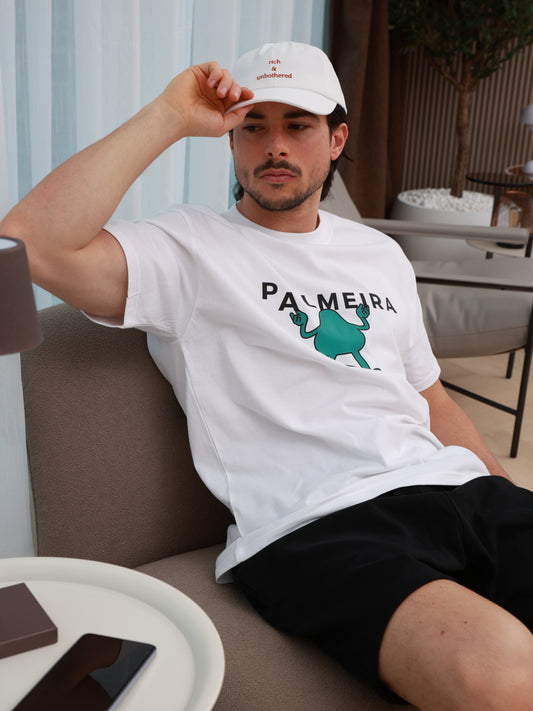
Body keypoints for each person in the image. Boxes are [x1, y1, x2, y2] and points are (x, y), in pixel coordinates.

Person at [2, 40, 533, 710]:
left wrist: (504, 503)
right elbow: (30, 243)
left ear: (336, 140)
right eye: (252, 126)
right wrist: (168, 115)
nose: (274, 146)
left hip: (453, 491)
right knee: (506, 678)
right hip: (317, 524)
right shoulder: (187, 249)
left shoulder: (378, 253)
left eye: (298, 125)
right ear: (230, 140)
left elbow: (433, 401)